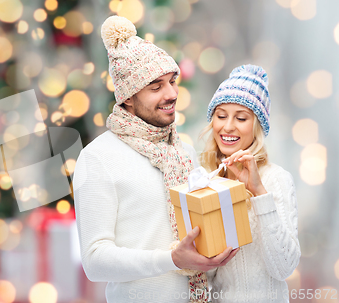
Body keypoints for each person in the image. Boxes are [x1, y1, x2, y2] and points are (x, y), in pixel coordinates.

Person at [73, 16, 238, 303]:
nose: (172, 94)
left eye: (172, 81)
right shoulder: (98, 158)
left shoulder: (183, 152)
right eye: (155, 86)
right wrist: (171, 260)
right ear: (127, 98)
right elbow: (94, 260)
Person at [200, 64, 301, 303]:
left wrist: (258, 192)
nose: (227, 126)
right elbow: (205, 276)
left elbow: (284, 267)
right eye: (221, 115)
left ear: (257, 126)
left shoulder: (275, 179)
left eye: (241, 118)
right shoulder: (204, 178)